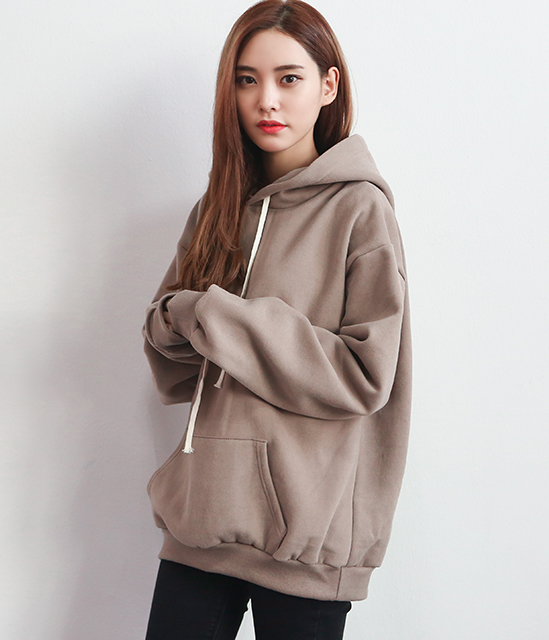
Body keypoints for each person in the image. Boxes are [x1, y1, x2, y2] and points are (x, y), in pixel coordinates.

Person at [141, 1, 412, 638]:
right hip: (201, 520)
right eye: (247, 79)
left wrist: (216, 316)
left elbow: (365, 374)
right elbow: (170, 355)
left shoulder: (360, 210)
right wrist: (182, 319)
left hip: (307, 543)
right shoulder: (216, 207)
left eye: (289, 78)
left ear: (328, 86)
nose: (266, 99)